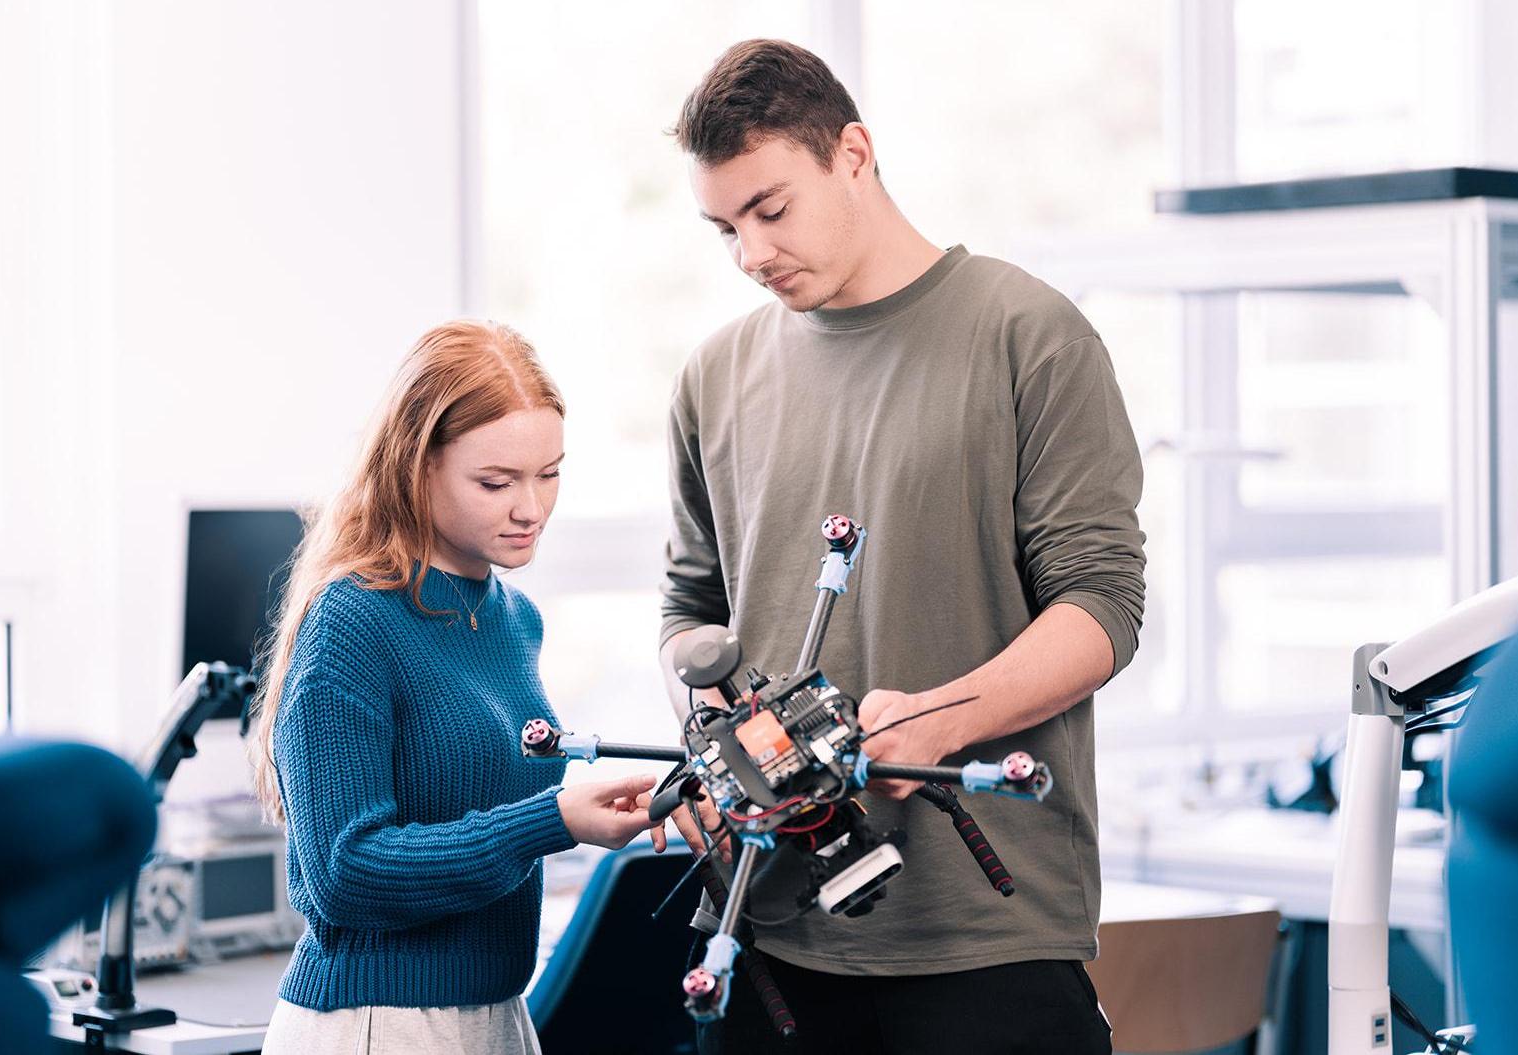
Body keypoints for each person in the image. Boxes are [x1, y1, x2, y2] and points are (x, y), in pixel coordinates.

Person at [658, 40, 1145, 1054]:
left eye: (771, 209)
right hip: (763, 931)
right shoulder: (714, 376)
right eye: (725, 227)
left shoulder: (1030, 335)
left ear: (853, 154)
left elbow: (1101, 608)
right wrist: (718, 744)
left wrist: (930, 721)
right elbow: (689, 610)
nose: (751, 252)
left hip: (980, 939)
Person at [249, 320, 665, 1055]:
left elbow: (489, 816)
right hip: (378, 1023)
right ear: (417, 468)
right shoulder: (353, 619)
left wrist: (603, 815)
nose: (531, 508)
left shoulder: (512, 619)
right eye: (495, 482)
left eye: (550, 472)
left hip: (497, 1012)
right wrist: (555, 820)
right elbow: (344, 872)